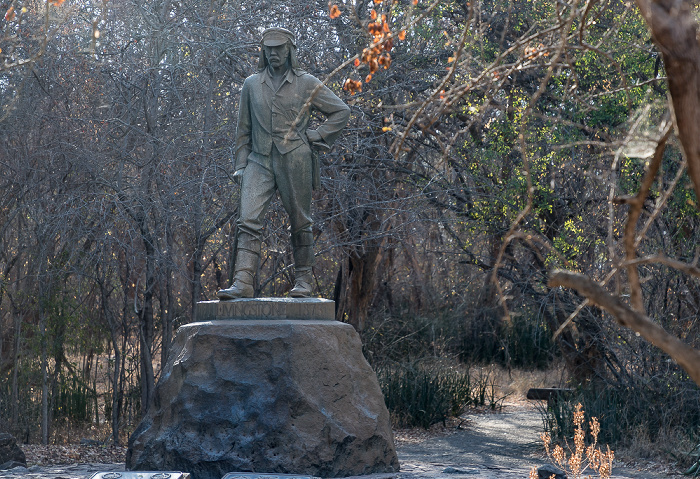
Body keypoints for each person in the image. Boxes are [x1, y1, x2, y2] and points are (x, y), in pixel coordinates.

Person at [217, 27, 350, 300]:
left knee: (301, 220)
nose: (274, 53)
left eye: (279, 48)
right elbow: (243, 130)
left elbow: (341, 111)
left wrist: (316, 136)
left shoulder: (307, 83)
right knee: (247, 219)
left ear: (290, 50)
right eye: (269, 48)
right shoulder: (251, 84)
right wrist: (240, 165)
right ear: (263, 51)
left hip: (295, 159)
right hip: (259, 160)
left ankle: (303, 281)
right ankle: (242, 282)